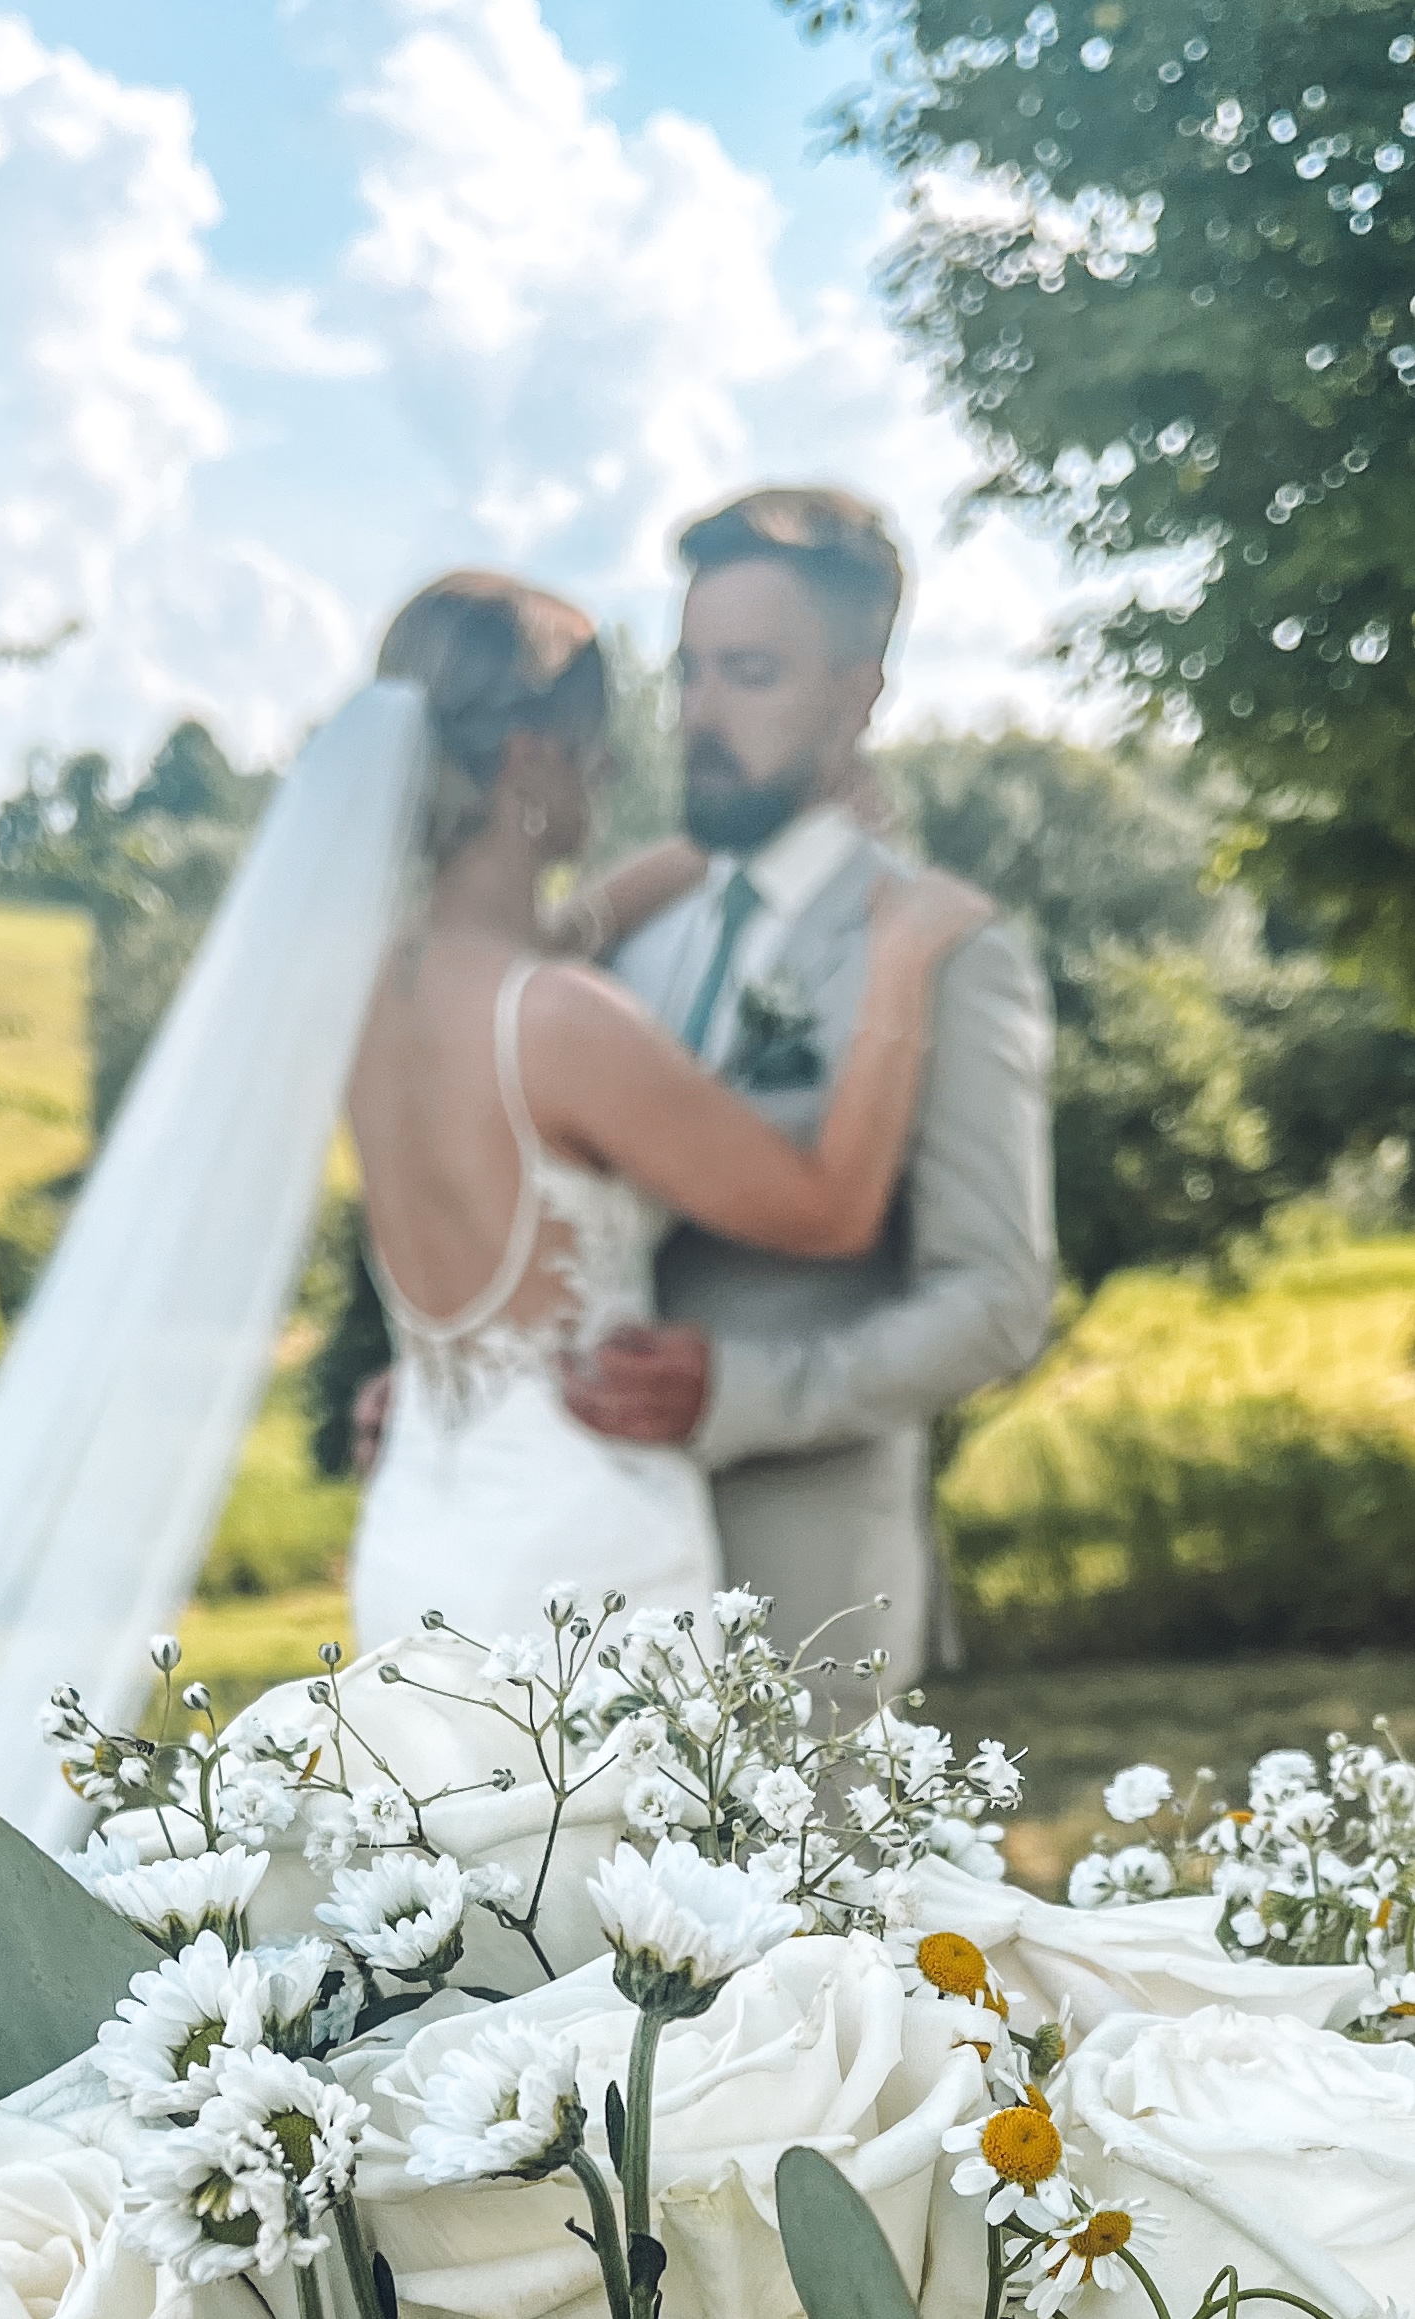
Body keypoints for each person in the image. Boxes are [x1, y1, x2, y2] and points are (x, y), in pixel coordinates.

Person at [347, 568, 994, 1650]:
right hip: (579, 1559)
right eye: (591, 741)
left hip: (418, 1532)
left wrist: (730, 840)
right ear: (528, 756)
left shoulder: (373, 994)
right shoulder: (561, 1022)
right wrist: (900, 960)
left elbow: (552, 933)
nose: (607, 769)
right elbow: (830, 1209)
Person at [552, 487, 1056, 1681]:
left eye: (750, 674)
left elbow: (997, 1300)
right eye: (687, 673)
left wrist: (742, 1390)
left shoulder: (949, 953)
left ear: (856, 693)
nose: (699, 714)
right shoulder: (630, 939)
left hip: (801, 1600)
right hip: (573, 1573)